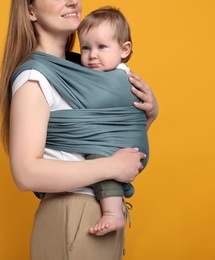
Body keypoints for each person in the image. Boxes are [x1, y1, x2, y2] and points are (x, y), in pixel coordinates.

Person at [0, 0, 158, 259]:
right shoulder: (34, 78)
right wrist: (111, 167)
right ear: (30, 10)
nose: (72, 0)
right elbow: (25, 173)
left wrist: (146, 116)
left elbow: (102, 140)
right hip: (74, 213)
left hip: (96, 211)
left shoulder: (87, 68)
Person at [77, 6, 144, 236]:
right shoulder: (100, 75)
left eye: (101, 47)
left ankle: (113, 213)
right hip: (120, 141)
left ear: (124, 49)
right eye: (85, 47)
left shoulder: (120, 77)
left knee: (99, 159)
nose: (92, 54)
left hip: (117, 144)